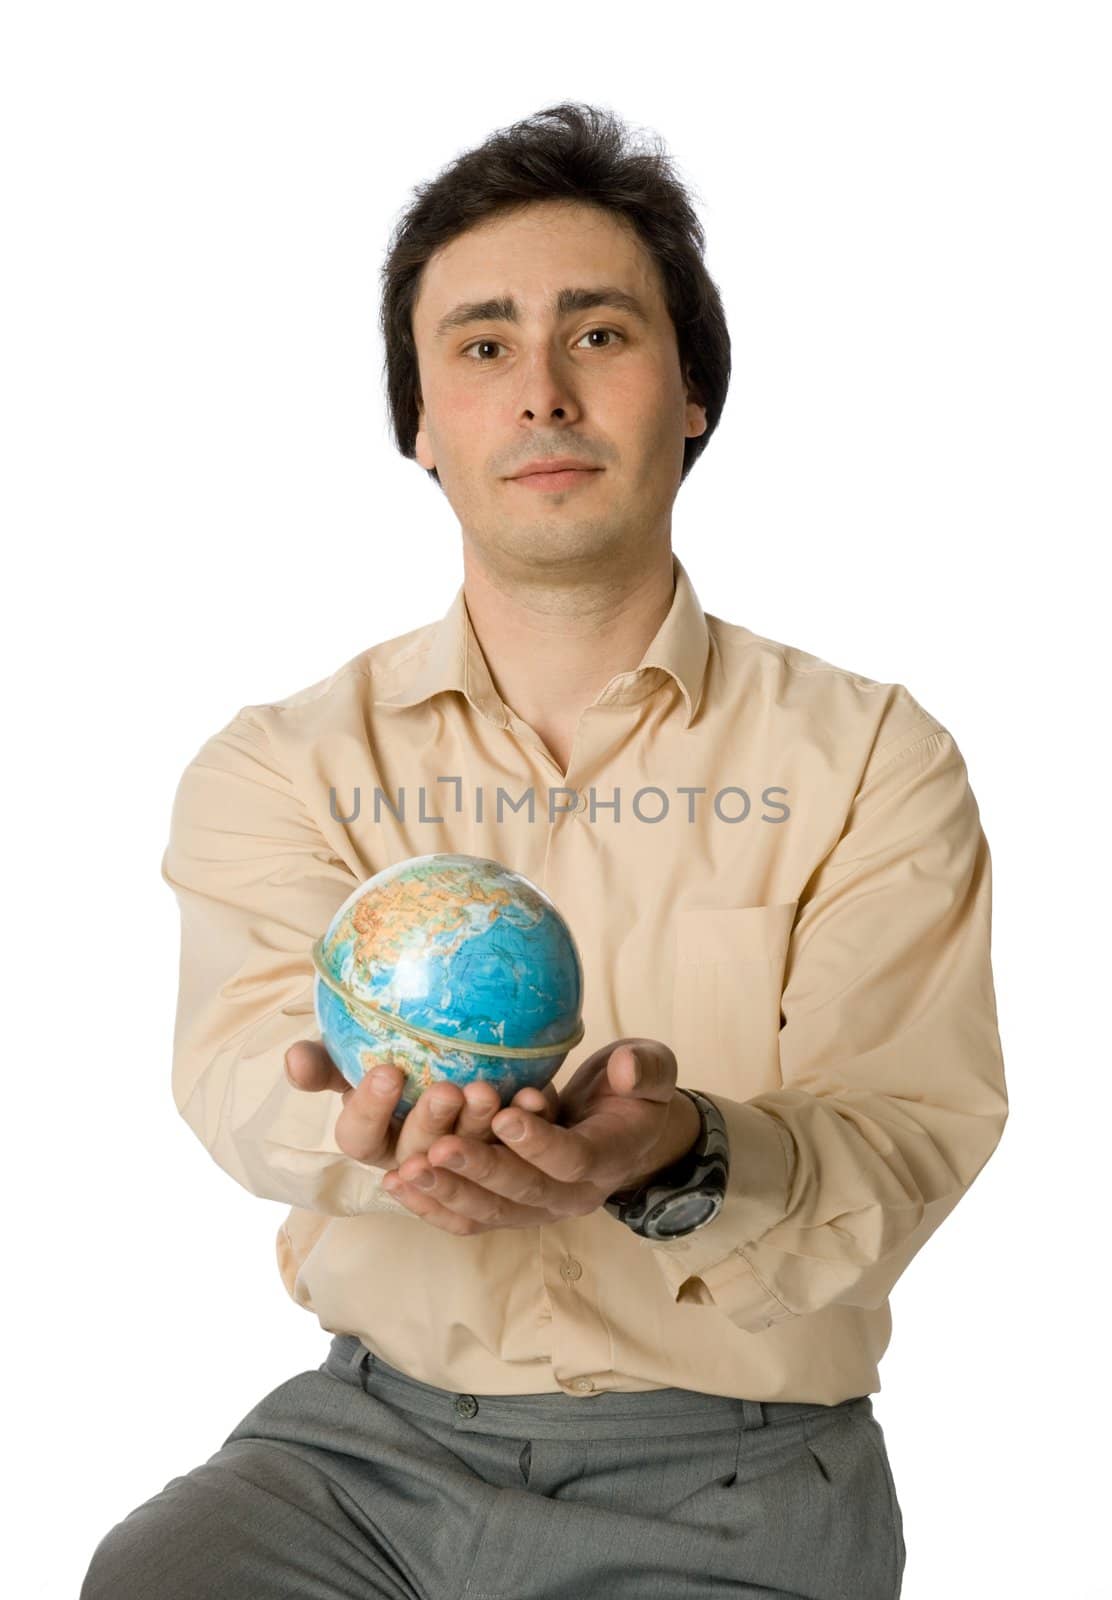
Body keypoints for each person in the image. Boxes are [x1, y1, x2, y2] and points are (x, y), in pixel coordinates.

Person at [81, 101, 1008, 1600]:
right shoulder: (282, 766)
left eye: (599, 335)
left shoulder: (869, 758)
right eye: (484, 345)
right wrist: (380, 1138)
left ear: (691, 392)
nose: (544, 395)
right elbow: (247, 1075)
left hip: (739, 1469)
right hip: (365, 1457)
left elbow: (908, 1132)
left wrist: (683, 1152)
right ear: (420, 423)